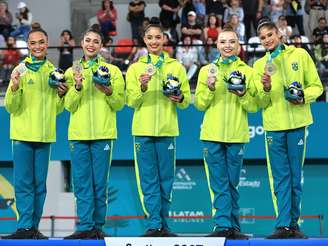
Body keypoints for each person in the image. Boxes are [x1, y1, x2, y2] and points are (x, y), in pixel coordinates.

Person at [253, 18, 323, 239]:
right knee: (280, 178)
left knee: (295, 177)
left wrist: (303, 97)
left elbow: (317, 87)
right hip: (274, 127)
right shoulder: (258, 66)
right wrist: (264, 88)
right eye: (262, 37)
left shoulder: (300, 55)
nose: (267, 40)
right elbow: (260, 103)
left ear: (279, 34)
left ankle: (294, 224)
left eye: (269, 35)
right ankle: (283, 225)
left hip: (297, 125)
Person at [126, 17, 191, 237]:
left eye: (158, 37)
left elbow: (185, 102)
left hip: (167, 130)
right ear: (144, 40)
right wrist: (142, 86)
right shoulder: (135, 69)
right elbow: (131, 101)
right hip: (143, 132)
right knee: (148, 181)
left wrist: (179, 96)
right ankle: (154, 224)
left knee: (166, 181)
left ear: (164, 39)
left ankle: (164, 224)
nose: (154, 41)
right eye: (150, 38)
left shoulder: (176, 66)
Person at [2, 27, 67, 239]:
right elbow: (11, 107)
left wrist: (60, 95)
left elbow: (57, 110)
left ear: (47, 44)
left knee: (40, 185)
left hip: (45, 136)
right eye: (33, 43)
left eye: (41, 42)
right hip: (21, 135)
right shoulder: (19, 70)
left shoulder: (54, 72)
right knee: (22, 184)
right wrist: (14, 86)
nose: (37, 46)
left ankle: (33, 229)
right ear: (28, 45)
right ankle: (23, 227)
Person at [194, 25, 257, 239]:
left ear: (238, 45)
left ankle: (234, 227)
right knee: (219, 184)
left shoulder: (249, 72)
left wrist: (242, 93)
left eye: (232, 41)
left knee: (232, 183)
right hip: (212, 136)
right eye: (223, 42)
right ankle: (222, 226)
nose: (227, 45)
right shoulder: (206, 70)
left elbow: (253, 106)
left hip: (237, 135)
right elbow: (200, 104)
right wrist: (210, 89)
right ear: (217, 45)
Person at [63, 25, 125, 239]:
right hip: (78, 135)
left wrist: (107, 90)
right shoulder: (72, 72)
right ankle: (84, 226)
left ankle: (97, 227)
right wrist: (78, 87)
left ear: (101, 46)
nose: (91, 44)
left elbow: (119, 103)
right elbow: (68, 106)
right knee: (81, 183)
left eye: (95, 41)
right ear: (82, 44)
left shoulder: (113, 71)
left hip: (103, 134)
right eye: (87, 40)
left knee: (100, 183)